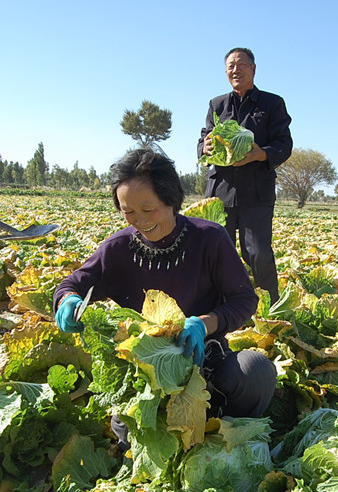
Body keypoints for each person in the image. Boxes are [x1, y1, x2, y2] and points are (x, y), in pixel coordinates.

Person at [53, 149, 277, 447]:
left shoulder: (210, 238)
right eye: (127, 211)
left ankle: (225, 436)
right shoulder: (118, 248)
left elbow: (244, 300)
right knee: (132, 438)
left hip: (205, 362)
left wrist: (203, 324)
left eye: (149, 209)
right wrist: (66, 300)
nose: (140, 220)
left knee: (256, 372)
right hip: (146, 376)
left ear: (171, 199)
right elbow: (74, 283)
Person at [197, 47, 293, 303]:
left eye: (241, 64)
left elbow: (284, 144)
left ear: (253, 69)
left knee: (258, 253)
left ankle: (268, 308)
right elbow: (203, 140)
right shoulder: (217, 104)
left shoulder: (272, 104)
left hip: (256, 193)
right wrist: (204, 147)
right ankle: (220, 307)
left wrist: (261, 154)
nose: (235, 70)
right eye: (230, 66)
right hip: (220, 192)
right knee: (217, 253)